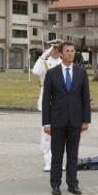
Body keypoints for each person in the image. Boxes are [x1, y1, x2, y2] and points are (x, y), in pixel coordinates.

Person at [42, 41, 91, 195]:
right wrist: (46, 122)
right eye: (67, 51)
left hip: (75, 121)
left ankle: (72, 184)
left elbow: (85, 97)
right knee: (57, 155)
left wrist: (86, 120)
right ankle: (55, 185)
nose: (71, 53)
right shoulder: (51, 73)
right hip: (57, 121)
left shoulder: (81, 72)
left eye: (72, 50)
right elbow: (46, 100)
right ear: (61, 54)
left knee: (73, 155)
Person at [33, 39, 63, 171]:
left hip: (62, 101)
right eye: (54, 48)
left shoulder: (64, 62)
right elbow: (35, 71)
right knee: (47, 133)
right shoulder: (44, 61)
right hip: (47, 100)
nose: (56, 51)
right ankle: (48, 161)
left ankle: (58, 161)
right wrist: (45, 54)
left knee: (61, 133)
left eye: (58, 48)